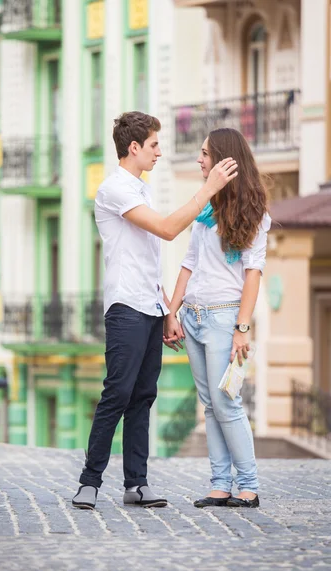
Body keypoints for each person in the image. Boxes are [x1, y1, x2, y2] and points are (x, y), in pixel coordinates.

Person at [72, 112, 238, 510]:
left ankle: (137, 484)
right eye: (154, 145)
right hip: (126, 306)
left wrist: (167, 311)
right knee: (118, 393)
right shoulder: (115, 189)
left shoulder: (141, 190)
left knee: (144, 396)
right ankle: (89, 482)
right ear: (134, 148)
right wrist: (208, 189)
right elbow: (166, 230)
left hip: (148, 304)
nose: (160, 152)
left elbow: (148, 260)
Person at [165, 127, 270, 509]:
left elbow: (252, 275)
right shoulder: (205, 211)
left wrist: (243, 328)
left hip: (224, 318)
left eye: (205, 153)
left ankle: (249, 486)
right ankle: (220, 484)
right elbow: (188, 263)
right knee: (209, 404)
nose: (199, 159)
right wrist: (171, 313)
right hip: (192, 316)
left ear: (225, 160)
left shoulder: (255, 213)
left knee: (227, 401)